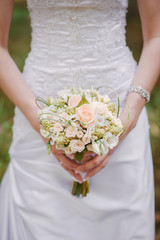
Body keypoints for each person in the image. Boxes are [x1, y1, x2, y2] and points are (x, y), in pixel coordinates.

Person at [0, 0, 159, 239]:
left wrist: (127, 119)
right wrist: (41, 122)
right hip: (38, 113)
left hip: (122, 112)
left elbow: (156, 36)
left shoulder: (126, 118)